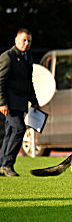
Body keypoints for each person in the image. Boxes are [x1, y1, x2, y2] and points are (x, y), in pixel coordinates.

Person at [0, 28, 39, 177]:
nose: (26, 43)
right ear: (16, 40)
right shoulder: (7, 57)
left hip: (20, 103)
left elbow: (28, 82)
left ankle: (2, 165)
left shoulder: (27, 57)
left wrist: (34, 101)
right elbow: (0, 81)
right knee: (19, 129)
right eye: (24, 40)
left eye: (29, 40)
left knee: (10, 132)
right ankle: (7, 165)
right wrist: (2, 102)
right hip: (8, 104)